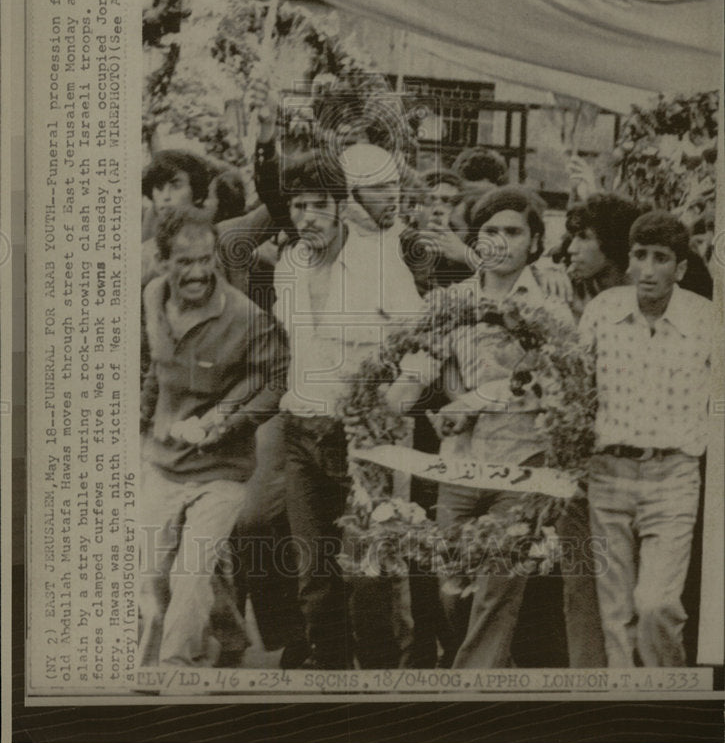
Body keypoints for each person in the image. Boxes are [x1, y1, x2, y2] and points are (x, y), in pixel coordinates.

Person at [386, 186, 573, 668]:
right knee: (454, 590)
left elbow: (546, 383)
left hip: (524, 465)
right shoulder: (453, 302)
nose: (500, 240)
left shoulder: (551, 308)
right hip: (463, 466)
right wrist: (387, 401)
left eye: (513, 231)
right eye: (490, 230)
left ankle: (470, 701)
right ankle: (497, 674)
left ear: (534, 242)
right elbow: (418, 367)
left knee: (497, 588)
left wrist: (473, 399)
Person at [276, 146, 423, 669]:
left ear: (341, 205)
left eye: (318, 204)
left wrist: (398, 394)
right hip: (302, 433)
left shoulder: (380, 265)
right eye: (297, 206)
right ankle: (327, 689)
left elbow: (426, 344)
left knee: (369, 573)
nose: (306, 217)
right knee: (314, 574)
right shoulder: (289, 266)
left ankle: (380, 692)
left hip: (365, 439)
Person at [138, 207, 289, 667]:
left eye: (207, 259)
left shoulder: (246, 316)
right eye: (185, 261)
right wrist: (143, 413)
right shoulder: (151, 297)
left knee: (191, 570)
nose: (199, 272)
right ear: (162, 262)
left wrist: (228, 423)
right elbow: (157, 369)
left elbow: (278, 377)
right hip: (165, 461)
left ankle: (175, 666)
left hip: (224, 468)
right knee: (154, 571)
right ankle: (232, 634)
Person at [579, 211, 713, 667]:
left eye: (661, 258)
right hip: (608, 473)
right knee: (614, 613)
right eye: (640, 256)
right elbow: (574, 389)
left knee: (656, 603)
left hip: (673, 475)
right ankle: (627, 712)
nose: (649, 269)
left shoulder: (706, 319)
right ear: (629, 259)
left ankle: (668, 701)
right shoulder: (602, 310)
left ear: (680, 268)